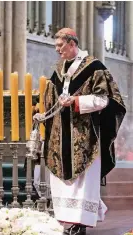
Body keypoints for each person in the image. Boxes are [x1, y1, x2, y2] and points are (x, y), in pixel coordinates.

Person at [33, 28, 126, 235]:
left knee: (83, 182)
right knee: (62, 182)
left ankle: (80, 224)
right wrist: (42, 113)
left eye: (61, 46)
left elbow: (106, 100)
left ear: (72, 44)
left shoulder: (94, 68)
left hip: (85, 138)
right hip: (60, 137)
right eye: (56, 46)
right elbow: (50, 99)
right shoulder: (58, 70)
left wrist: (76, 101)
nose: (57, 50)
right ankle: (67, 221)